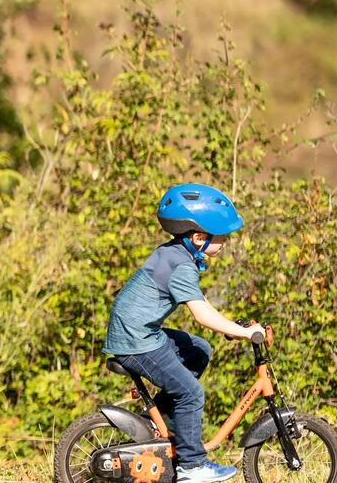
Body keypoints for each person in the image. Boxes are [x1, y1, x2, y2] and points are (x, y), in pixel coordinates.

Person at [102, 183, 265, 483]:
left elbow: (201, 302)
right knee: (191, 393)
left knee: (198, 351)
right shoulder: (181, 265)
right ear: (199, 237)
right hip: (136, 340)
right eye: (222, 237)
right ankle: (192, 467)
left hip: (139, 330)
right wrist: (245, 334)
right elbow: (201, 314)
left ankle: (156, 426)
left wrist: (232, 327)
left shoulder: (177, 253)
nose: (226, 242)